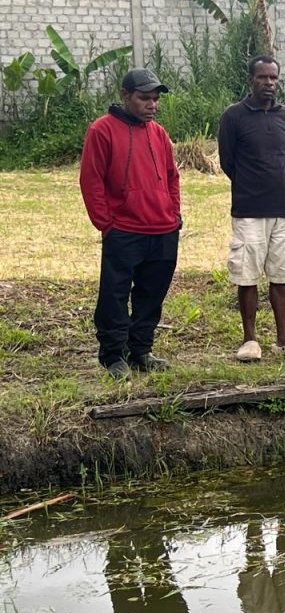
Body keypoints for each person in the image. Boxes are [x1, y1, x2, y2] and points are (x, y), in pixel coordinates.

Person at [80, 68, 181, 381]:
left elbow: (172, 176)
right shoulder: (102, 130)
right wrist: (106, 223)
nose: (152, 105)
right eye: (144, 98)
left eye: (155, 99)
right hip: (124, 230)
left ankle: (140, 350)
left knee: (152, 293)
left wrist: (174, 214)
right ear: (125, 96)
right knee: (114, 293)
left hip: (163, 228)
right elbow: (91, 180)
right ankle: (113, 355)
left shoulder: (158, 133)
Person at [218, 55, 285, 363]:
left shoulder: (284, 115)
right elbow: (227, 162)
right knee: (247, 276)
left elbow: (284, 155)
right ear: (251, 80)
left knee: (282, 274)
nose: (269, 83)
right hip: (249, 210)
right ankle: (250, 340)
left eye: (273, 78)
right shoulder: (234, 116)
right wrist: (251, 185)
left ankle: (284, 339)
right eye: (262, 77)